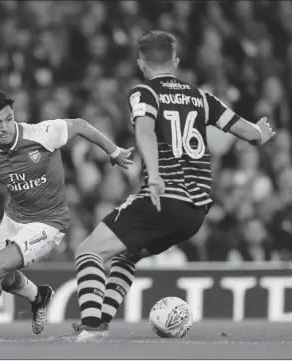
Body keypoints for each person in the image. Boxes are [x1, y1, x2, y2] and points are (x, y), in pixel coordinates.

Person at [62, 30, 276, 342]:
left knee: (88, 252)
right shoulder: (202, 98)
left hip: (163, 198)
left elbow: (146, 131)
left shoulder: (143, 93)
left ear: (140, 62)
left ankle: (92, 328)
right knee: (125, 256)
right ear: (175, 61)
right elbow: (251, 134)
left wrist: (158, 175)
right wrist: (262, 132)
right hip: (195, 213)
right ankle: (100, 323)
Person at [0, 90, 133, 338]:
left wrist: (114, 151)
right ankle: (38, 296)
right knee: (4, 279)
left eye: (9, 119)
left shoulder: (42, 133)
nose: (5, 128)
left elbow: (80, 125)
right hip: (13, 218)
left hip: (49, 222)